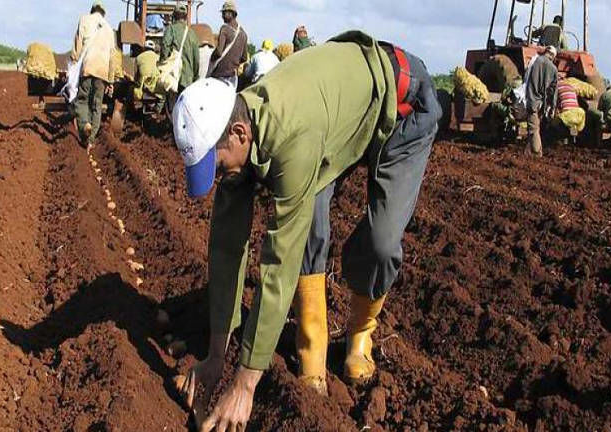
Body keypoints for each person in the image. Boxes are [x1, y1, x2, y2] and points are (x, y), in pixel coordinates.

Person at [172, 30, 441, 430]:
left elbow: (279, 259)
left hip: (403, 105)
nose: (218, 177)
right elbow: (227, 249)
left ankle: (359, 337)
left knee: (381, 242)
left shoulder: (289, 136)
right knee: (313, 220)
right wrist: (215, 356)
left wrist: (246, 383)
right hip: (335, 112)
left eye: (218, 164)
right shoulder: (238, 130)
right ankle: (312, 350)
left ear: (240, 135)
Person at [71, 0, 117, 147]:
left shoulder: (84, 19)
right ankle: (90, 141)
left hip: (88, 67)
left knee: (82, 100)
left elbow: (78, 45)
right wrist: (110, 81)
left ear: (93, 10)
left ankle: (84, 124)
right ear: (103, 13)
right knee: (97, 105)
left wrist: (74, 62)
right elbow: (112, 56)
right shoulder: (109, 29)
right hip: (102, 71)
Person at [160, 4, 200, 113]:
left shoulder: (170, 29)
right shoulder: (192, 34)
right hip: (188, 79)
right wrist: (195, 77)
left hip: (174, 77)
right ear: (186, 17)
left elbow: (165, 46)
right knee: (185, 109)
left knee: (173, 108)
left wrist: (164, 64)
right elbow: (197, 59)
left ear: (174, 16)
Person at [526, 46, 558, 157]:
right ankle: (528, 152)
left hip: (532, 99)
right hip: (541, 103)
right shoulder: (554, 68)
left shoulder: (535, 61)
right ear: (553, 56)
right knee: (535, 126)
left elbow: (526, 79)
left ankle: (536, 153)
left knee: (533, 128)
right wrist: (552, 107)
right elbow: (553, 90)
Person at [209, 1, 248, 88]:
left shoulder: (225, 29)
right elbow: (244, 58)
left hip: (219, 75)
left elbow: (219, 52)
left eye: (224, 13)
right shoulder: (243, 34)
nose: (222, 16)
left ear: (231, 13)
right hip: (233, 77)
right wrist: (234, 63)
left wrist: (211, 57)